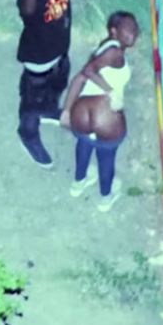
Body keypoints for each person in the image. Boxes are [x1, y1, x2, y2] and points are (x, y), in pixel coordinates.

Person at [16, 0, 92, 167]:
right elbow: (27, 10)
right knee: (31, 105)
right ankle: (28, 134)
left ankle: (48, 109)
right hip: (37, 61)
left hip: (59, 53)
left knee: (56, 88)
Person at [60, 11, 139, 211]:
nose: (133, 32)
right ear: (114, 31)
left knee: (84, 145)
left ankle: (79, 183)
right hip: (105, 117)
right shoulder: (115, 52)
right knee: (106, 156)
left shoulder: (105, 48)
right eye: (127, 28)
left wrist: (67, 111)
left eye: (134, 27)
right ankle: (106, 196)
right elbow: (88, 72)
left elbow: (80, 78)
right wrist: (110, 91)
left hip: (82, 114)